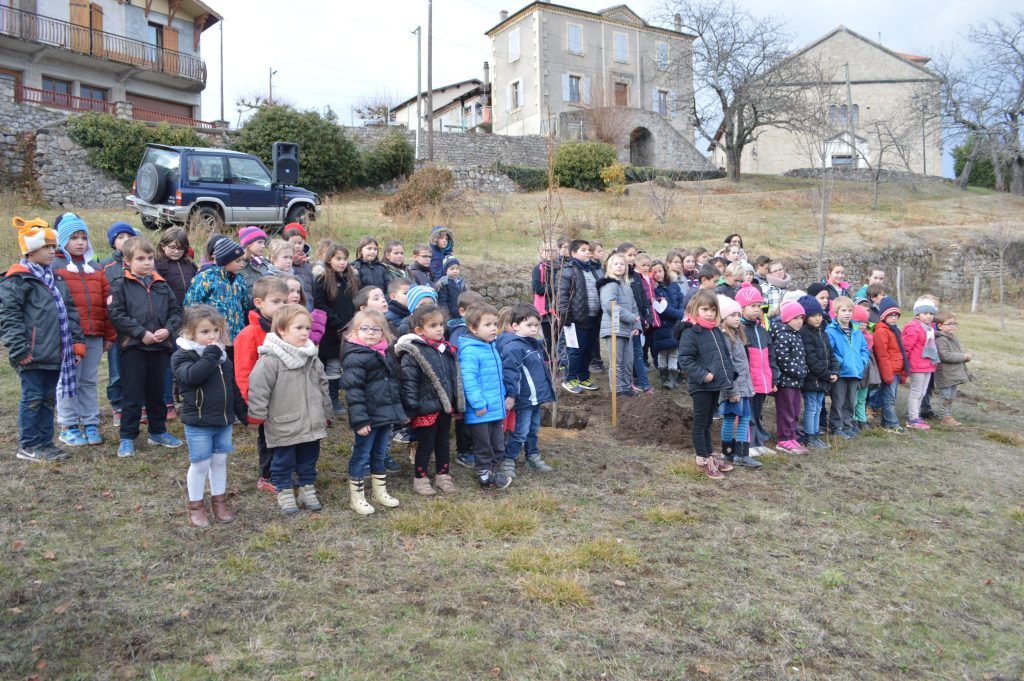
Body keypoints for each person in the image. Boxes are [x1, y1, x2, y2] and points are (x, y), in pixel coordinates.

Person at [1, 217, 85, 462]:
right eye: (47, 247)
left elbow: (70, 312)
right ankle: (28, 445)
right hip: (32, 353)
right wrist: (20, 350)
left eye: (53, 247)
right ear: (30, 250)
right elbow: (9, 317)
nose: (53, 252)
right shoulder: (17, 280)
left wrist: (77, 344)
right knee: (33, 399)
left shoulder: (55, 278)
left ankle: (45, 443)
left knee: (48, 399)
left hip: (55, 352)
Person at [247, 304, 332, 515]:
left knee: (309, 457)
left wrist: (326, 412)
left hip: (311, 420)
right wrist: (257, 415)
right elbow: (258, 388)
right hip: (284, 421)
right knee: (283, 460)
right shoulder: (271, 359)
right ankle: (284, 491)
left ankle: (307, 488)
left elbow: (323, 385)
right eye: (299, 328)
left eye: (307, 328)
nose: (305, 333)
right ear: (282, 330)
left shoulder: (311, 355)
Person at [172, 305, 248, 527]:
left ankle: (219, 500)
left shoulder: (222, 357)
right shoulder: (182, 356)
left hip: (223, 420)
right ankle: (195, 505)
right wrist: (212, 356)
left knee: (219, 460)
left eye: (215, 331)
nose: (212, 336)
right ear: (189, 332)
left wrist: (244, 415)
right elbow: (192, 377)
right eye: (205, 332)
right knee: (201, 463)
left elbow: (232, 388)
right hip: (198, 422)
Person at [108, 236, 184, 457]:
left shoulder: (161, 284)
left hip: (159, 348)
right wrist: (141, 333)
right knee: (132, 394)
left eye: (150, 258)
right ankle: (127, 437)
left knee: (157, 392)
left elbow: (176, 312)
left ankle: (157, 431)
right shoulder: (120, 285)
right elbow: (117, 315)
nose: (147, 262)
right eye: (141, 258)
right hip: (133, 347)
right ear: (128, 261)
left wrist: (168, 330)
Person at [52, 213, 116, 447]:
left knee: (89, 381)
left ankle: (90, 421)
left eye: (83, 237)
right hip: (68, 336)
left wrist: (109, 334)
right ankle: (68, 424)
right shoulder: (55, 267)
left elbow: (106, 303)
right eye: (73, 237)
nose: (80, 242)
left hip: (95, 334)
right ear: (62, 240)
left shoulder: (95, 268)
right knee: (68, 380)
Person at [342, 309, 406, 514]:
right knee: (361, 455)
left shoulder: (385, 354)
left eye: (376, 329)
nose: (370, 333)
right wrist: (360, 421)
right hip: (368, 418)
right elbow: (354, 392)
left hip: (385, 415)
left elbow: (392, 386)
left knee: (380, 454)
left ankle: (380, 491)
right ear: (355, 331)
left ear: (383, 333)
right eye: (365, 328)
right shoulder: (355, 356)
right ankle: (357, 496)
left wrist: (397, 413)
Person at [395, 304, 463, 496]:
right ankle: (421, 478)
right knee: (425, 445)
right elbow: (409, 381)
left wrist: (456, 402)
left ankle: (443, 476)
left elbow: (453, 378)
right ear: (419, 330)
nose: (439, 329)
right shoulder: (413, 352)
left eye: (441, 324)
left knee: (443, 442)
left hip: (444, 407)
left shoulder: (446, 350)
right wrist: (412, 407)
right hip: (425, 408)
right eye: (433, 325)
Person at [234, 276, 290, 493]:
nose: (282, 306)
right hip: (264, 398)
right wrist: (251, 402)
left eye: (285, 302)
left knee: (285, 435)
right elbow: (243, 371)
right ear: (259, 303)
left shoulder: (285, 331)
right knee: (268, 438)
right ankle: (267, 475)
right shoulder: (250, 334)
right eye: (276, 302)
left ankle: (283, 469)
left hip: (285, 395)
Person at [677, 289, 735, 479]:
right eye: (705, 309)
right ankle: (701, 458)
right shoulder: (690, 332)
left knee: (709, 421)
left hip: (715, 384)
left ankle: (709, 454)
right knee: (701, 421)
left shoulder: (715, 330)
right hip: (701, 384)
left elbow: (723, 357)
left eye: (712, 309)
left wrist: (728, 376)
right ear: (695, 309)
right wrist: (703, 375)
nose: (709, 313)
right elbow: (685, 360)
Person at [497, 303, 556, 478]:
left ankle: (533, 456)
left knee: (533, 430)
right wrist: (511, 395)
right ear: (515, 326)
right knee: (520, 432)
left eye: (536, 325)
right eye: (528, 325)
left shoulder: (533, 345)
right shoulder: (513, 347)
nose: (534, 329)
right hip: (523, 400)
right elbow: (510, 374)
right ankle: (508, 460)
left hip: (535, 399)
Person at [458, 302, 512, 490]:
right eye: (487, 325)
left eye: (495, 324)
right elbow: (469, 380)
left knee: (498, 444)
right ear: (473, 328)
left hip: (495, 408)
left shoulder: (490, 347)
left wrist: (503, 398)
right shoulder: (471, 350)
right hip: (481, 410)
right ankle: (484, 475)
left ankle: (493, 470)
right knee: (483, 445)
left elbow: (496, 378)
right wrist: (478, 403)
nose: (493, 329)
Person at [155, 226, 198, 419]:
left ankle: (186, 397)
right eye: (172, 247)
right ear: (163, 246)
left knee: (187, 358)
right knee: (168, 362)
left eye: (180, 248)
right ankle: (167, 401)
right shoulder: (159, 265)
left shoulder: (190, 266)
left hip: (189, 319)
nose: (176, 251)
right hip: (168, 319)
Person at [312, 242, 359, 414]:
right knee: (332, 365)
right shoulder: (322, 279)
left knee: (348, 363)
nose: (342, 262)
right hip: (332, 331)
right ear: (329, 259)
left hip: (351, 329)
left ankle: (349, 395)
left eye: (345, 259)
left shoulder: (352, 279)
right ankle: (332, 397)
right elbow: (320, 304)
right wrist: (338, 322)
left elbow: (356, 302)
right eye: (338, 258)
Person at [718, 295, 762, 468]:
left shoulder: (737, 335)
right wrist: (732, 390)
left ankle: (742, 454)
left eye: (738, 314)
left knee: (744, 417)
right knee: (730, 418)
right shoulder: (725, 338)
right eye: (732, 315)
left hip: (744, 386)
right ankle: (727, 452)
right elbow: (727, 366)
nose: (737, 318)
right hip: (733, 388)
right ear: (723, 317)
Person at [101, 221, 138, 424]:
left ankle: (136, 403)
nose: (125, 241)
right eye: (120, 237)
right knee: (116, 370)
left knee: (136, 368)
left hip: (138, 328)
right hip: (116, 329)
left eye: (128, 236)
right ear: (113, 242)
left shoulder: (140, 263)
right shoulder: (106, 267)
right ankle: (118, 405)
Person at [737, 283, 778, 456]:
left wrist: (774, 378)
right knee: (747, 413)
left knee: (758, 412)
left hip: (762, 379)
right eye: (752, 306)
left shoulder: (762, 330)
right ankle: (747, 443)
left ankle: (758, 441)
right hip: (748, 381)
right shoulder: (740, 330)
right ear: (742, 307)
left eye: (759, 306)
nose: (757, 310)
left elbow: (771, 357)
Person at [183, 239, 250, 345]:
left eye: (242, 260)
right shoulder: (206, 277)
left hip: (237, 337)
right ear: (225, 261)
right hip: (212, 337)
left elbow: (244, 305)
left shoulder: (239, 279)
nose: (242, 264)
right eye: (237, 261)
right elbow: (191, 305)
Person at [557, 240, 600, 394]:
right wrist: (566, 318)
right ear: (573, 253)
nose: (588, 252)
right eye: (583, 250)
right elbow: (562, 297)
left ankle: (583, 377)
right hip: (575, 320)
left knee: (588, 350)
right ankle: (570, 379)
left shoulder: (594, 270)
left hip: (593, 318)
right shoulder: (567, 271)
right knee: (574, 351)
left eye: (588, 250)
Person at [825, 296, 870, 438]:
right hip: (841, 373)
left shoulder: (856, 331)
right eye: (843, 310)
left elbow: (864, 348)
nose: (847, 313)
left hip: (855, 372)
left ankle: (847, 425)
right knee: (838, 401)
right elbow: (830, 350)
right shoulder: (831, 331)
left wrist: (862, 361)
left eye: (850, 310)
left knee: (851, 401)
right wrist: (842, 361)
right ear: (836, 313)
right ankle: (836, 426)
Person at [598, 253, 641, 398]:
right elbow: (611, 306)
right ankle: (617, 390)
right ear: (610, 266)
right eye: (615, 264)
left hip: (627, 330)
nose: (619, 266)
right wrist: (631, 319)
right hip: (613, 329)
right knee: (617, 362)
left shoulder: (626, 286)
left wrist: (637, 325)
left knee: (628, 362)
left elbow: (634, 307)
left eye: (622, 264)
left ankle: (625, 387)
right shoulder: (610, 284)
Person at [797, 295, 836, 449]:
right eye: (813, 315)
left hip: (823, 379)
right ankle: (809, 436)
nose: (818, 318)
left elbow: (831, 354)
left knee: (818, 407)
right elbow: (811, 360)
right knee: (812, 407)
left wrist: (834, 371)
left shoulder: (823, 333)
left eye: (819, 314)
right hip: (812, 379)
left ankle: (815, 433)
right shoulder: (805, 333)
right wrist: (827, 374)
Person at [771, 300, 809, 454]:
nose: (799, 322)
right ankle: (784, 439)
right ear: (786, 318)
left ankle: (792, 436)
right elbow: (782, 359)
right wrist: (799, 371)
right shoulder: (782, 335)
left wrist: (803, 369)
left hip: (796, 381)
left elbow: (801, 357)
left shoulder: (796, 335)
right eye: (796, 318)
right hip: (785, 382)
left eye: (801, 318)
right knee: (786, 411)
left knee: (795, 410)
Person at [901, 297, 939, 430]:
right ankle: (912, 418)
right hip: (917, 365)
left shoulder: (929, 328)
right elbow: (906, 347)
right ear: (917, 314)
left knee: (922, 392)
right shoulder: (914, 327)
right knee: (916, 392)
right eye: (925, 313)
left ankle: (915, 415)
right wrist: (904, 364)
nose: (929, 316)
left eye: (931, 313)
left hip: (928, 364)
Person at [872, 297, 907, 433]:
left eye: (896, 316)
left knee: (890, 397)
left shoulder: (894, 330)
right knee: (889, 398)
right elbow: (882, 355)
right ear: (883, 316)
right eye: (890, 315)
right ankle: (892, 423)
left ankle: (886, 422)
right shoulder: (881, 331)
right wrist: (887, 374)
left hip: (896, 370)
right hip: (889, 371)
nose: (893, 318)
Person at [934, 311, 971, 428]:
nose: (953, 326)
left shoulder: (951, 338)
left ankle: (948, 415)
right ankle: (944, 417)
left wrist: (964, 358)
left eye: (955, 324)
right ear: (940, 326)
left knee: (951, 396)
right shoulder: (941, 339)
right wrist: (962, 357)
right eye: (950, 324)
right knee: (945, 396)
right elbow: (945, 355)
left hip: (953, 374)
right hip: (945, 374)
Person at [651, 259, 684, 389]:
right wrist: (679, 314)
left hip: (675, 326)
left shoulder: (673, 285)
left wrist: (681, 311)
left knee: (674, 352)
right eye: (655, 272)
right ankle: (664, 376)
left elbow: (681, 299)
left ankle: (672, 378)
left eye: (660, 271)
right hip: (662, 325)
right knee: (663, 352)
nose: (658, 274)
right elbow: (662, 309)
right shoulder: (654, 289)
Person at [531, 242, 559, 363]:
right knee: (548, 339)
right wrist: (556, 287)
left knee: (559, 338)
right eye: (547, 250)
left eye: (552, 250)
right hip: (545, 310)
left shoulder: (561, 268)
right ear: (541, 252)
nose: (549, 253)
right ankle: (547, 363)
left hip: (561, 309)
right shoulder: (538, 269)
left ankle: (559, 362)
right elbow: (538, 288)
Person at [283, 223, 314, 303]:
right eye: (293, 243)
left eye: (299, 243)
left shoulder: (308, 264)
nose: (297, 246)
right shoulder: (283, 264)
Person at [237, 226, 272, 293]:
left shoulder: (266, 262)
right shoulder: (239, 266)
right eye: (259, 242)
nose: (263, 246)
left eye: (264, 243)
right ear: (248, 244)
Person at [435, 256, 468, 322]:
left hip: (461, 313)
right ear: (446, 270)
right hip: (450, 315)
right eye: (452, 269)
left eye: (457, 268)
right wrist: (446, 315)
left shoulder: (461, 282)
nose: (455, 271)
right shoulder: (444, 283)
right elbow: (442, 301)